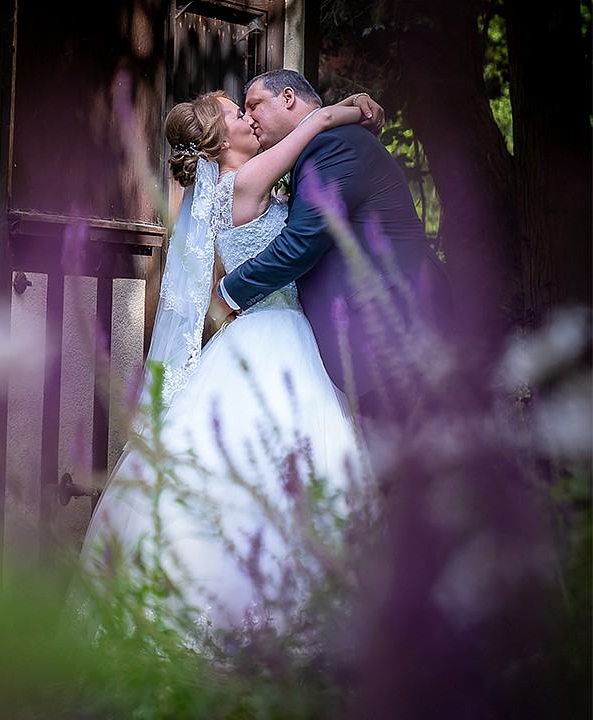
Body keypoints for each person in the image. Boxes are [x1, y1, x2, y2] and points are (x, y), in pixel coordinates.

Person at [73, 86, 386, 631]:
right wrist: (351, 108)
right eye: (239, 114)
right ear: (221, 142)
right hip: (276, 332)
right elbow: (311, 126)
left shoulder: (235, 186)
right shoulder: (243, 181)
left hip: (260, 329)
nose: (249, 118)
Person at [215, 69, 453, 422]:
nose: (249, 118)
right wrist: (355, 103)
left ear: (287, 97)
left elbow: (301, 242)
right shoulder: (320, 145)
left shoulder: (330, 146)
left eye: (254, 105)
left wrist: (228, 292)